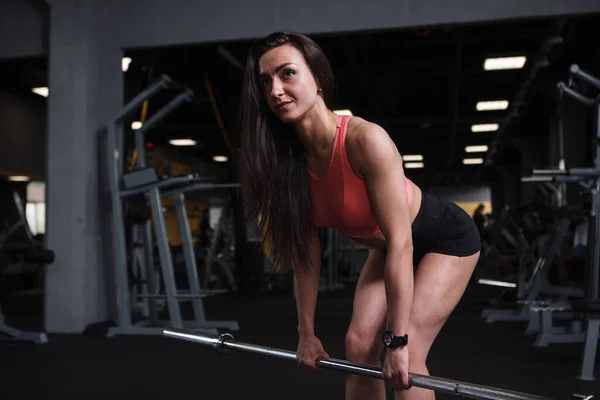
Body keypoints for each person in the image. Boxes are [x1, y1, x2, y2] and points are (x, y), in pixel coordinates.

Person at [237, 31, 481, 400]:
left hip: (445, 239)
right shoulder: (289, 166)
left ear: (317, 78)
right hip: (388, 247)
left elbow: (402, 243)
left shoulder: (365, 140)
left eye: (287, 73)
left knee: (408, 356)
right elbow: (306, 256)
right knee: (359, 345)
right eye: (265, 81)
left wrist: (397, 341)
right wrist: (306, 332)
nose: (275, 90)